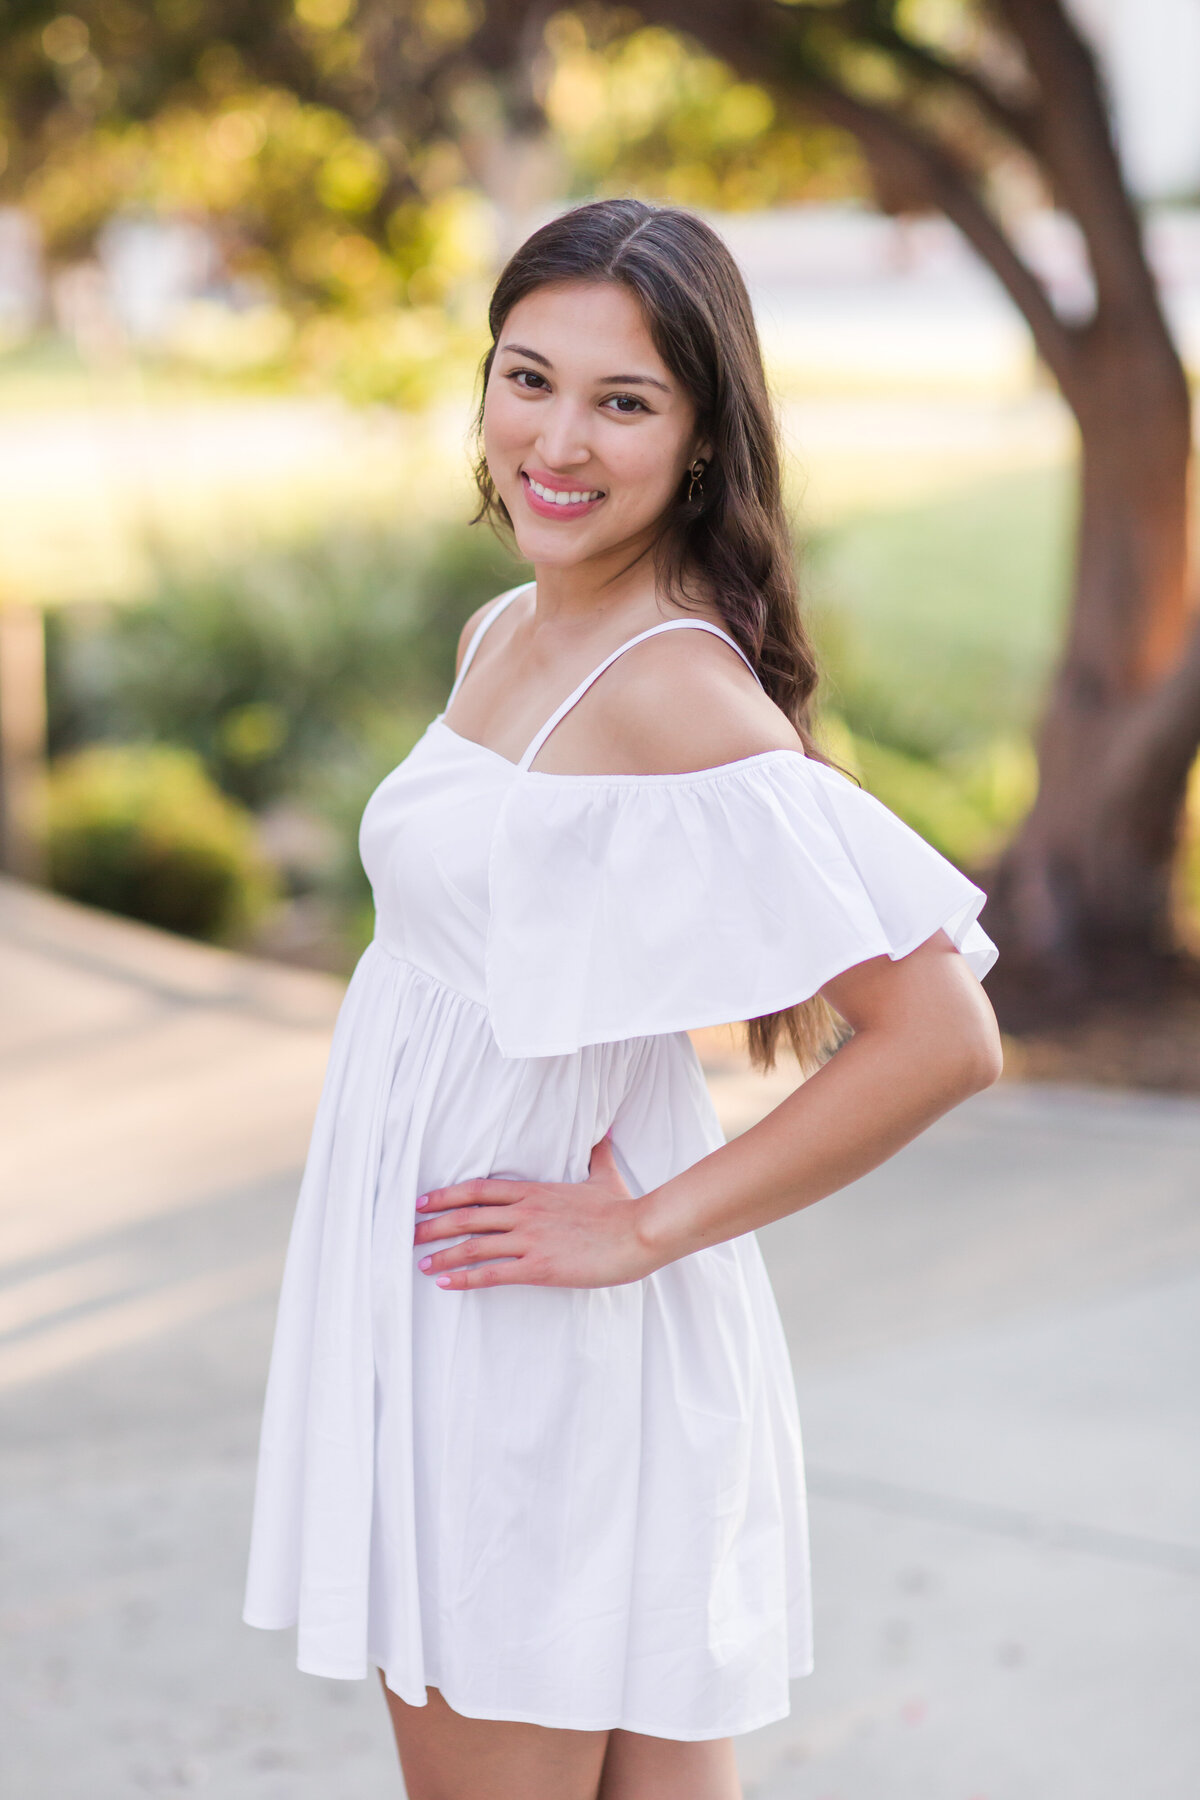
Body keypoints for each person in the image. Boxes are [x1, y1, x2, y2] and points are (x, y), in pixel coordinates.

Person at [243, 197, 1002, 1800]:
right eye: (528, 378)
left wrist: (646, 1226)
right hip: (472, 1310)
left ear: (705, 438)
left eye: (625, 400)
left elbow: (943, 1032)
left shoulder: (673, 692)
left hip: (527, 1333)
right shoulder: (503, 629)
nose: (557, 439)